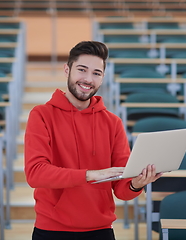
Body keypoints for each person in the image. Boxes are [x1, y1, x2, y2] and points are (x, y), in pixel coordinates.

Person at [24, 40, 162, 240]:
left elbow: (122, 190)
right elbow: (35, 174)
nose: (88, 79)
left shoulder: (112, 122)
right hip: (52, 230)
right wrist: (91, 175)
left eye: (96, 73)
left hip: (101, 230)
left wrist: (136, 184)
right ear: (67, 69)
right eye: (82, 70)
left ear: (103, 77)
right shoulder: (41, 115)